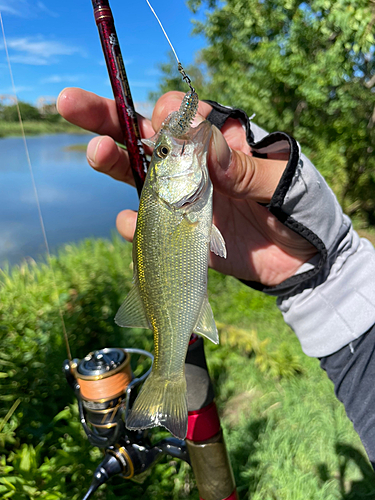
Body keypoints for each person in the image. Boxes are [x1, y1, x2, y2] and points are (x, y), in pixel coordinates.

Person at [57, 88, 375, 469]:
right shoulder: (173, 200)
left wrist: (326, 257)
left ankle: (165, 379)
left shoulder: (185, 195)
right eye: (163, 153)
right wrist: (321, 271)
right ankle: (166, 377)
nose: (171, 149)